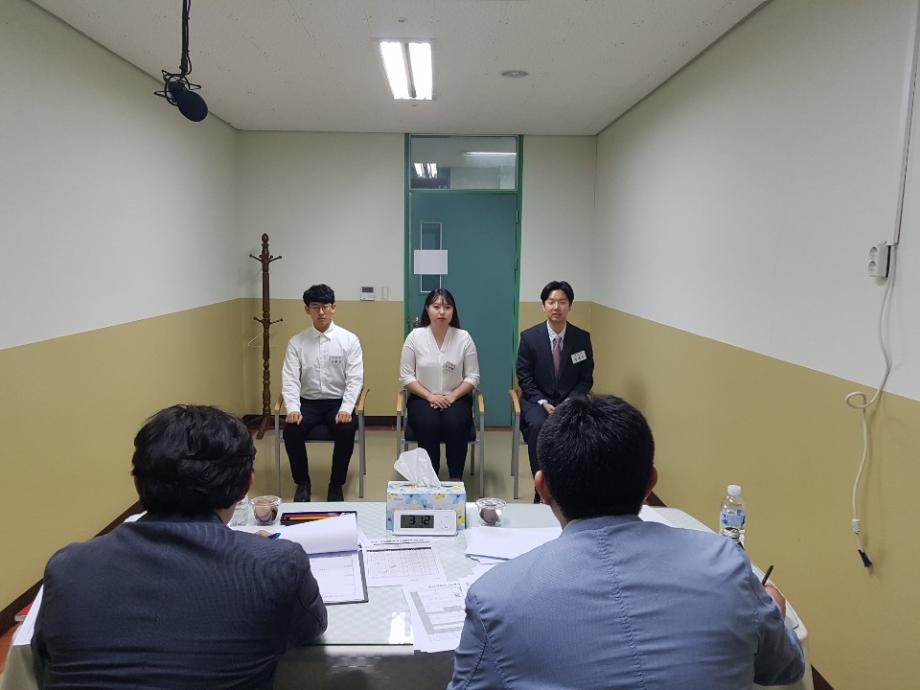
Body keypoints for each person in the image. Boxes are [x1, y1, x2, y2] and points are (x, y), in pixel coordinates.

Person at [449, 395, 805, 690]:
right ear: (651, 483)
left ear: (542, 489)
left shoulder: (495, 599)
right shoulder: (727, 564)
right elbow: (785, 669)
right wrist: (769, 610)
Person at [32, 405, 328, 690]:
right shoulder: (279, 564)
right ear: (245, 486)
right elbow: (309, 629)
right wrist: (259, 553)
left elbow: (43, 663)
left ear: (137, 482)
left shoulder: (66, 567)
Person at [282, 283, 364, 502]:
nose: (321, 312)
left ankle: (336, 484)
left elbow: (355, 379)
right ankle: (303, 483)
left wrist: (346, 408)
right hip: (308, 402)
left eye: (326, 307)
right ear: (307, 310)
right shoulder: (297, 342)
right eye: (315, 307)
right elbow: (290, 378)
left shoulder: (349, 340)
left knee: (346, 429)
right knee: (291, 431)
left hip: (337, 402)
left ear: (333, 308)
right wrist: (293, 408)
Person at [515, 280, 593, 501]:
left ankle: (570, 486)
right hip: (537, 399)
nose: (556, 307)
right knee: (539, 426)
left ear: (570, 306)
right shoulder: (529, 338)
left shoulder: (581, 338)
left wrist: (569, 401)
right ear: (543, 306)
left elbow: (586, 378)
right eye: (551, 302)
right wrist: (542, 401)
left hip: (570, 400)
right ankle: (542, 487)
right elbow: (524, 376)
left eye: (562, 302)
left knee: (579, 427)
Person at [399, 288, 480, 479]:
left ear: (453, 311)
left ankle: (455, 477)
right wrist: (430, 396)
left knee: (455, 423)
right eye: (436, 307)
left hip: (456, 397)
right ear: (427, 309)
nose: (442, 312)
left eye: (447, 307)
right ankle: (429, 478)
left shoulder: (464, 337)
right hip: (422, 397)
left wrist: (452, 396)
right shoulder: (415, 337)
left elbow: (473, 376)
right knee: (428, 423)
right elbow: (406, 376)